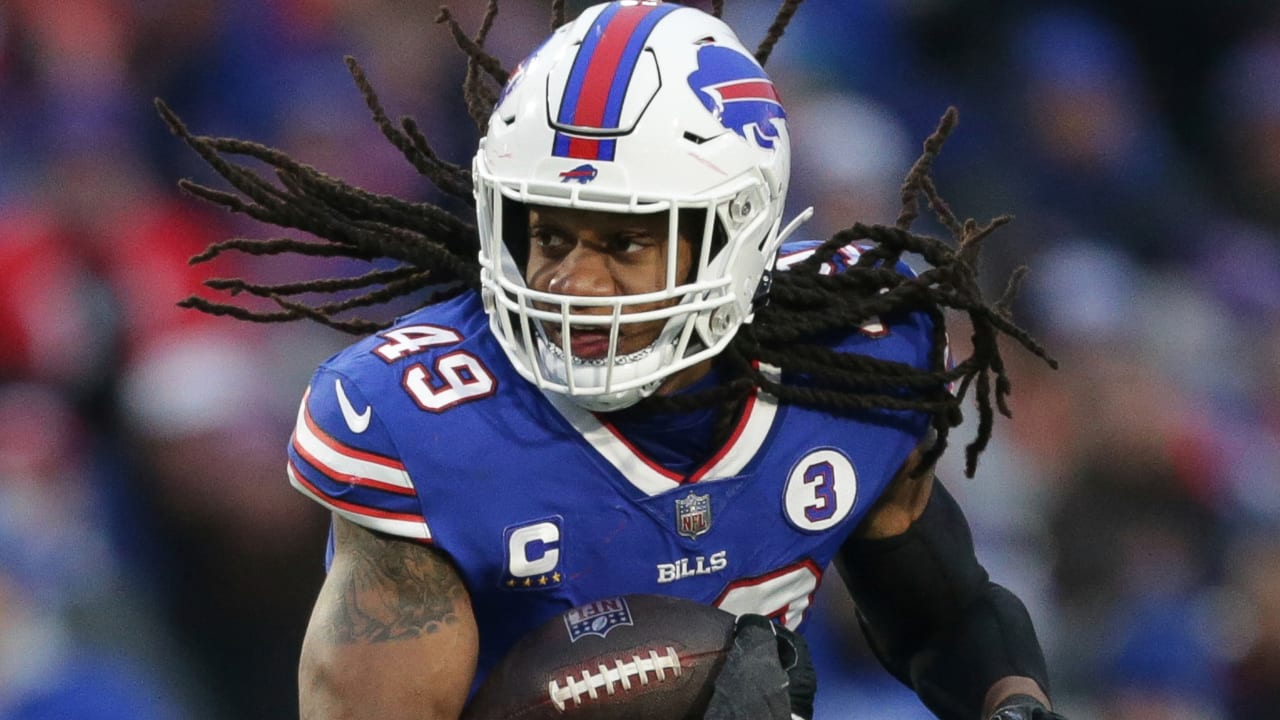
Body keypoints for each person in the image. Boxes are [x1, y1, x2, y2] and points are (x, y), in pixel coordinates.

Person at [157, 2, 1066, 718]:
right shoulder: (425, 427)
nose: (572, 281)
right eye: (546, 232)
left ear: (734, 238)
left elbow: (944, 616)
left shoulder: (854, 356)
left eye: (625, 243)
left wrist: (1014, 706)